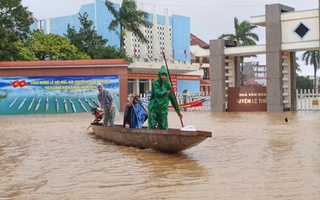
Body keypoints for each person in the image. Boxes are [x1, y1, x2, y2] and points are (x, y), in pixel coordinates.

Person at [148, 65, 183, 130]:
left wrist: (178, 112)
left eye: (164, 75)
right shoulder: (155, 83)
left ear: (166, 76)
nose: (163, 77)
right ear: (159, 75)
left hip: (163, 109)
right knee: (152, 126)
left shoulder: (168, 85)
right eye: (162, 75)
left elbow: (173, 100)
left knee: (163, 127)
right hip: (154, 107)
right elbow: (157, 93)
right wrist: (167, 92)